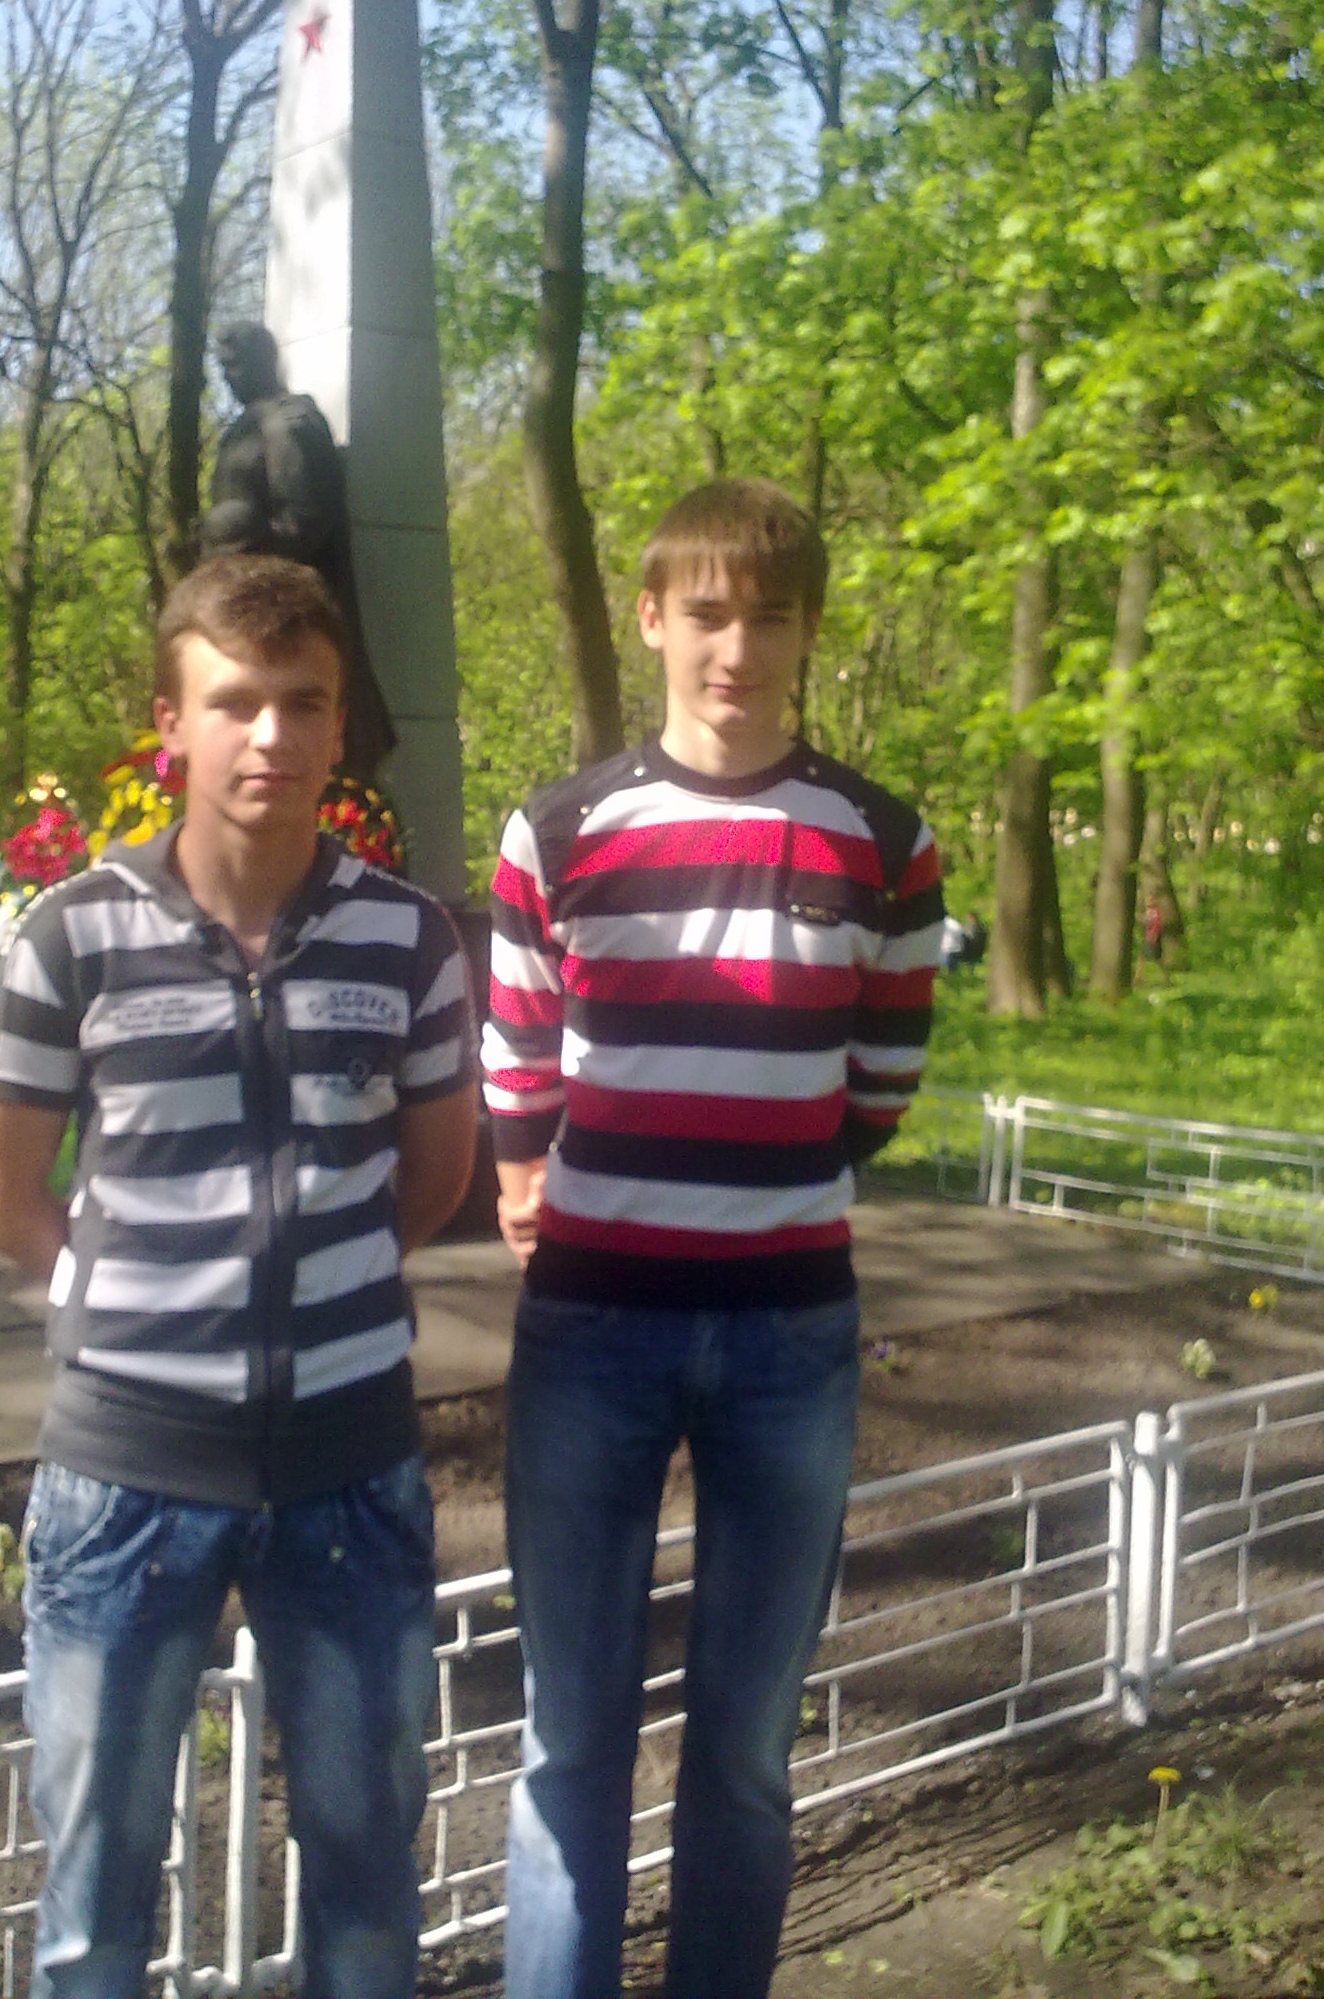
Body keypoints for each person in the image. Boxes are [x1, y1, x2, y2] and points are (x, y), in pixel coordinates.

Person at [0, 554, 479, 1999]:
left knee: (367, 1874)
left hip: (351, 1470)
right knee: (96, 1897)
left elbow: (433, 1177)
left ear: (338, 725)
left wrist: (320, 1282)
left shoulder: (409, 938)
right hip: (124, 1480)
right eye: (235, 702)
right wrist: (130, 1295)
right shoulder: (74, 934)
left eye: (303, 703)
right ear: (170, 724)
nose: (270, 735)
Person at [481, 479, 944, 1999]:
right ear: (651, 619)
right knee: (570, 1739)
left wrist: (750, 1177)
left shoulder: (886, 842)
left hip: (788, 1336)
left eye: (770, 617)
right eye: (707, 613)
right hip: (591, 1330)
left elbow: (879, 1090)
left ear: (809, 632)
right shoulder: (559, 830)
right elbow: (517, 1070)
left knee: (746, 1747)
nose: (735, 648)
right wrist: (552, 1180)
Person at [204, 319, 396, 780]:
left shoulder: (290, 425)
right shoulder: (241, 431)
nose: (229, 376)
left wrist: (245, 543)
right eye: (222, 367)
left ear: (265, 360)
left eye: (236, 365)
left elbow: (305, 525)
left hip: (290, 617)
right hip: (241, 610)